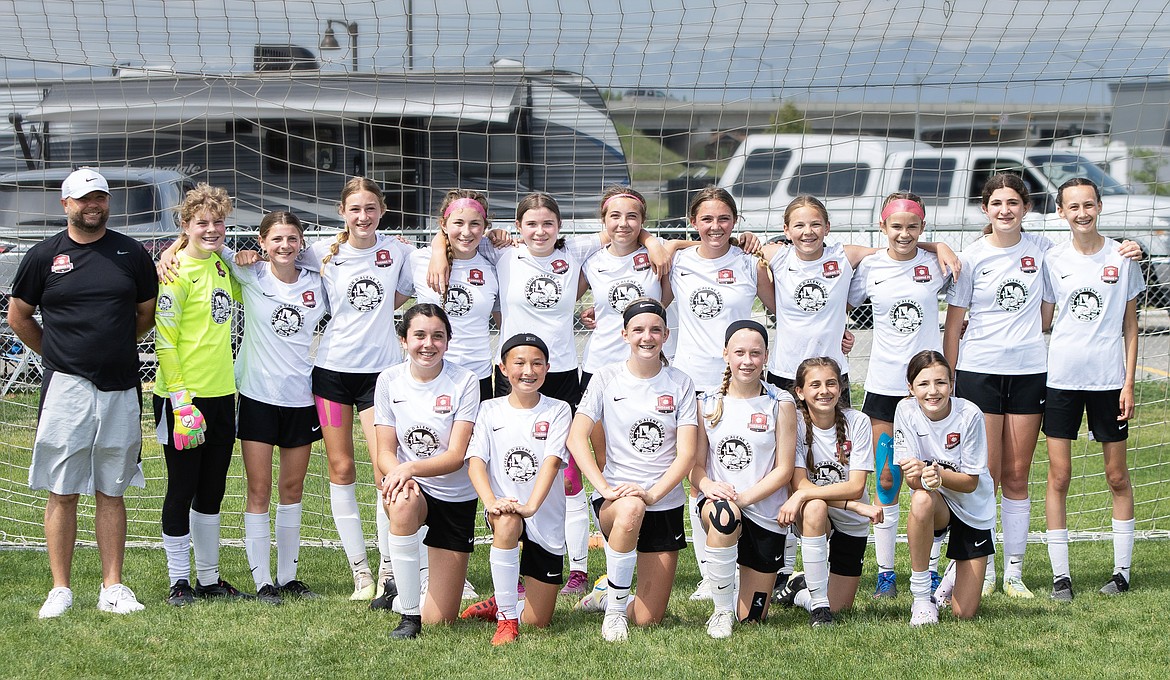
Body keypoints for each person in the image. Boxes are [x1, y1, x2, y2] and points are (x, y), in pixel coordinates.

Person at [9, 168, 157, 618]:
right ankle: (60, 589)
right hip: (65, 388)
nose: (93, 206)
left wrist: (108, 350)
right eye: (83, 199)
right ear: (66, 204)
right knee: (63, 488)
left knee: (112, 488)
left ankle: (112, 586)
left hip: (119, 386)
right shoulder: (43, 256)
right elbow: (19, 317)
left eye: (100, 198)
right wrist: (60, 354)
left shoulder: (131, 253)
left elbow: (144, 316)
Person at [661, 186, 772, 601]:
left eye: (723, 218)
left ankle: (767, 564)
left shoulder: (751, 263)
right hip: (693, 380)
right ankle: (711, 572)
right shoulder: (677, 263)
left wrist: (842, 333)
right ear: (693, 222)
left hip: (742, 380)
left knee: (749, 465)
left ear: (736, 222)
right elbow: (656, 305)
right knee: (698, 471)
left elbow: (788, 310)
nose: (715, 226)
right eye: (706, 219)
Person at [567, 298, 696, 642]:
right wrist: (605, 489)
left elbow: (686, 454)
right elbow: (577, 438)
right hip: (618, 504)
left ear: (666, 334)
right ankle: (613, 616)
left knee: (649, 618)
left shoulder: (680, 382)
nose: (647, 337)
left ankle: (607, 594)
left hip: (663, 503)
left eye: (655, 329)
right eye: (638, 329)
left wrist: (654, 493)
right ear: (624, 334)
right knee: (631, 508)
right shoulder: (606, 378)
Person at [310, 178, 414, 600]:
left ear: (382, 210)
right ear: (342, 212)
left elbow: (404, 291)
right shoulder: (318, 251)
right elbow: (268, 256)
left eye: (371, 208)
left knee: (383, 470)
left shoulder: (399, 250)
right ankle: (361, 574)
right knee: (341, 469)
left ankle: (389, 570)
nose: (363, 216)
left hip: (381, 378)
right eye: (355, 209)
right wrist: (172, 249)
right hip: (332, 374)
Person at [848, 192, 953, 599]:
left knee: (930, 479)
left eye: (913, 226)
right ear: (882, 226)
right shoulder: (870, 267)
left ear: (923, 228)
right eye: (896, 226)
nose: (904, 233)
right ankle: (887, 572)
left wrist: (938, 246)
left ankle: (933, 566)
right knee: (888, 477)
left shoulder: (936, 265)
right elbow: (842, 296)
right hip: (884, 387)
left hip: (928, 390)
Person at [1043, 178, 1143, 599]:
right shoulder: (1052, 259)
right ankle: (1060, 576)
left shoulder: (1123, 257)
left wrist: (1128, 382)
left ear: (1099, 206)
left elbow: (1131, 327)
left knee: (1116, 475)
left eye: (1089, 204)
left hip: (1108, 382)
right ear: (1061, 212)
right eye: (1073, 206)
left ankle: (1121, 572)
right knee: (1059, 475)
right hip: (1062, 380)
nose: (1082, 213)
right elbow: (1044, 320)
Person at [153, 184, 249, 605]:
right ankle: (178, 582)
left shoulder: (222, 266)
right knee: (182, 488)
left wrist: (246, 257)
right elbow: (165, 341)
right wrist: (179, 399)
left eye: (218, 222)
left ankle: (209, 581)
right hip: (181, 399)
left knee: (213, 490)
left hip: (221, 395)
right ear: (185, 225)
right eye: (201, 223)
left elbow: (251, 288)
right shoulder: (174, 274)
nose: (211, 230)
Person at [569, 186, 665, 596]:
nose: (623, 223)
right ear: (603, 222)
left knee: (650, 454)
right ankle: (609, 566)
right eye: (614, 216)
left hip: (647, 369)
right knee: (605, 463)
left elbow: (684, 241)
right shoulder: (590, 260)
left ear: (643, 221)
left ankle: (640, 545)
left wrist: (654, 241)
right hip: (600, 369)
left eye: (633, 217)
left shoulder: (660, 257)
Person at [232, 211, 328, 603]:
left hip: (302, 400)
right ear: (262, 241)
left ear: (301, 242)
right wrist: (171, 251)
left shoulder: (317, 285)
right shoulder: (250, 276)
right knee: (259, 489)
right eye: (276, 239)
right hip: (257, 396)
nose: (285, 246)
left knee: (292, 488)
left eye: (292, 239)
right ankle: (262, 582)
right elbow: (201, 242)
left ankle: (288, 577)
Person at [459, 333, 573, 644]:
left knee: (539, 622)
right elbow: (475, 463)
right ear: (503, 369)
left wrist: (531, 507)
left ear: (547, 368)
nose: (528, 371)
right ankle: (507, 618)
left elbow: (551, 462)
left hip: (543, 515)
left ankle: (501, 599)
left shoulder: (559, 410)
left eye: (537, 364)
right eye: (519, 363)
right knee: (508, 522)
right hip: (505, 509)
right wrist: (492, 501)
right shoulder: (488, 410)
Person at [376, 304, 480, 640]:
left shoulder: (465, 381)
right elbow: (384, 453)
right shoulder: (389, 380)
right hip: (413, 488)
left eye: (438, 336)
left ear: (448, 341)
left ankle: (396, 595)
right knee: (403, 500)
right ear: (404, 340)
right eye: (419, 335)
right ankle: (408, 616)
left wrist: (407, 468)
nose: (428, 344)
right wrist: (401, 475)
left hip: (454, 497)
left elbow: (455, 456)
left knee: (441, 618)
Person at [690, 319, 797, 638]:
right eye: (739, 352)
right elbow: (695, 467)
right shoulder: (707, 402)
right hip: (720, 505)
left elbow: (785, 469)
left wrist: (745, 498)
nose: (747, 360)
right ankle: (720, 611)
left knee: (753, 618)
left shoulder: (781, 402)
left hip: (763, 512)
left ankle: (751, 585)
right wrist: (708, 487)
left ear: (766, 356)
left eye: (755, 353)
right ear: (726, 354)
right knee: (724, 516)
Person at [775, 357, 881, 627]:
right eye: (815, 385)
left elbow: (856, 487)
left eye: (831, 383)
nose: (824, 391)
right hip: (817, 514)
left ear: (841, 387)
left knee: (842, 607)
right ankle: (819, 607)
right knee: (816, 506)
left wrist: (801, 494)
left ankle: (801, 590)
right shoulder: (795, 422)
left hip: (851, 524)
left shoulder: (857, 422)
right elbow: (799, 483)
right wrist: (855, 505)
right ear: (800, 391)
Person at [893, 350, 996, 625]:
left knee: (964, 613)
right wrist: (923, 477)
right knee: (920, 500)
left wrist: (940, 475)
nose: (933, 391)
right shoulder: (905, 411)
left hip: (973, 506)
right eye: (923, 384)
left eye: (940, 383)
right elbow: (913, 482)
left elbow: (971, 483)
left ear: (952, 383)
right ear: (910, 387)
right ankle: (921, 598)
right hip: (937, 501)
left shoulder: (969, 414)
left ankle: (954, 570)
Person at [410, 190, 499, 402]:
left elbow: (504, 320)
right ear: (443, 224)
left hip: (477, 374)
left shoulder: (494, 265)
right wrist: (438, 250)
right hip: (429, 372)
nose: (466, 232)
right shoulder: (417, 259)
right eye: (458, 223)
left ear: (485, 227)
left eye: (475, 224)